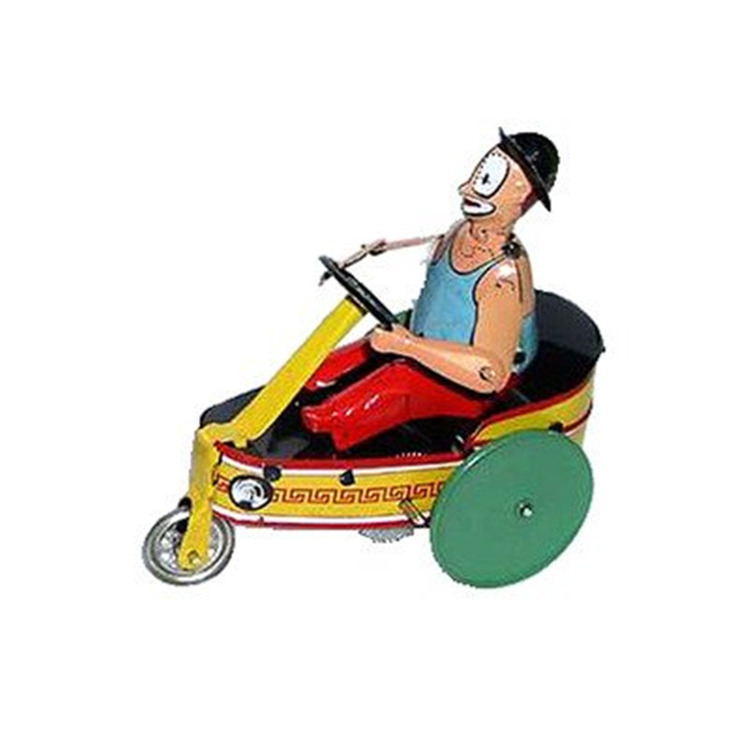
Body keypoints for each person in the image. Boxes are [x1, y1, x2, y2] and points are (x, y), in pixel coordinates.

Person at [301, 128, 559, 451]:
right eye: (478, 176)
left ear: (523, 193)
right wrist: (384, 247)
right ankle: (304, 384)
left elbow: (490, 373)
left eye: (487, 181)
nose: (465, 188)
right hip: (424, 342)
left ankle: (327, 432)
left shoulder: (502, 277)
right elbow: (437, 243)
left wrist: (408, 346)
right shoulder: (462, 231)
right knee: (353, 355)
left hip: (465, 386)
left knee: (393, 381)